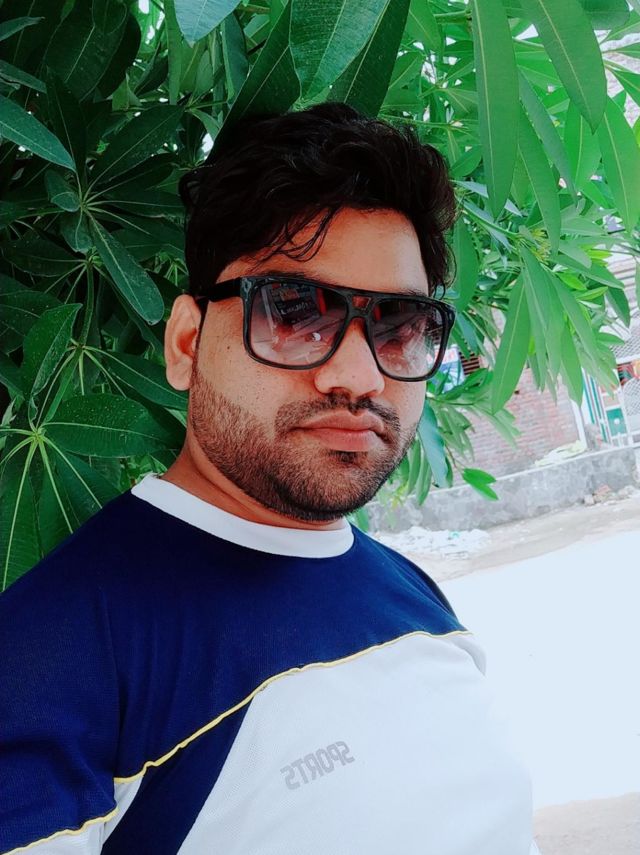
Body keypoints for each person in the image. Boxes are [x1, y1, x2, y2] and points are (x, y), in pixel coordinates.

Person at [0, 103, 540, 855]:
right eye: (294, 312)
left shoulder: (411, 590)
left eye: (398, 325)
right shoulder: (51, 651)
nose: (359, 376)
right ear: (186, 343)